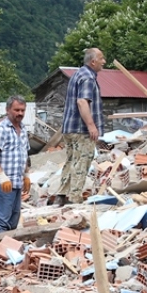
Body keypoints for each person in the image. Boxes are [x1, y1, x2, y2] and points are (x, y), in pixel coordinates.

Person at [54, 47, 106, 204]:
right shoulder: (88, 78)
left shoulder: (77, 74)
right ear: (93, 61)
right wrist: (91, 125)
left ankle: (61, 196)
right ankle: (74, 199)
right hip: (81, 129)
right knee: (82, 163)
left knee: (70, 161)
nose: (104, 61)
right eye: (101, 58)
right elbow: (82, 101)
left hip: (69, 128)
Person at [0, 95, 30, 233]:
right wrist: (1, 176)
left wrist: (26, 175)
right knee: (1, 224)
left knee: (12, 223)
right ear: (8, 110)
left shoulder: (23, 130)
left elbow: (24, 155)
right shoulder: (1, 129)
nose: (20, 113)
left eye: (22, 110)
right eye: (16, 110)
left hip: (16, 183)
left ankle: (7, 251)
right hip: (2, 184)